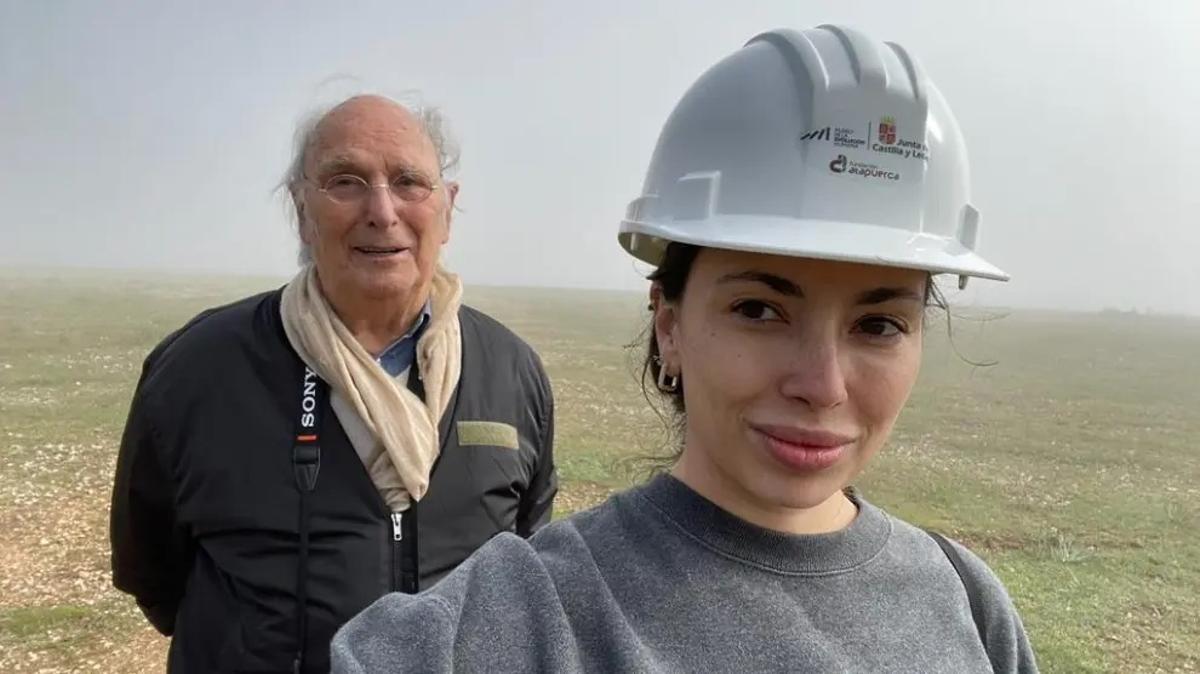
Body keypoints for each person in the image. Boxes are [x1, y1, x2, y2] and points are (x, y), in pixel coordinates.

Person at [331, 25, 1039, 673]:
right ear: (668, 325)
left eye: (879, 325)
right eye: (759, 309)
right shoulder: (534, 616)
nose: (822, 385)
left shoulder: (969, 606)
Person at [109, 94, 557, 673]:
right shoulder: (197, 369)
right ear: (301, 210)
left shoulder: (511, 370)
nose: (382, 210)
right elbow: (155, 575)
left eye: (408, 182)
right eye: (345, 181)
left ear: (446, 209)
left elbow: (521, 556)